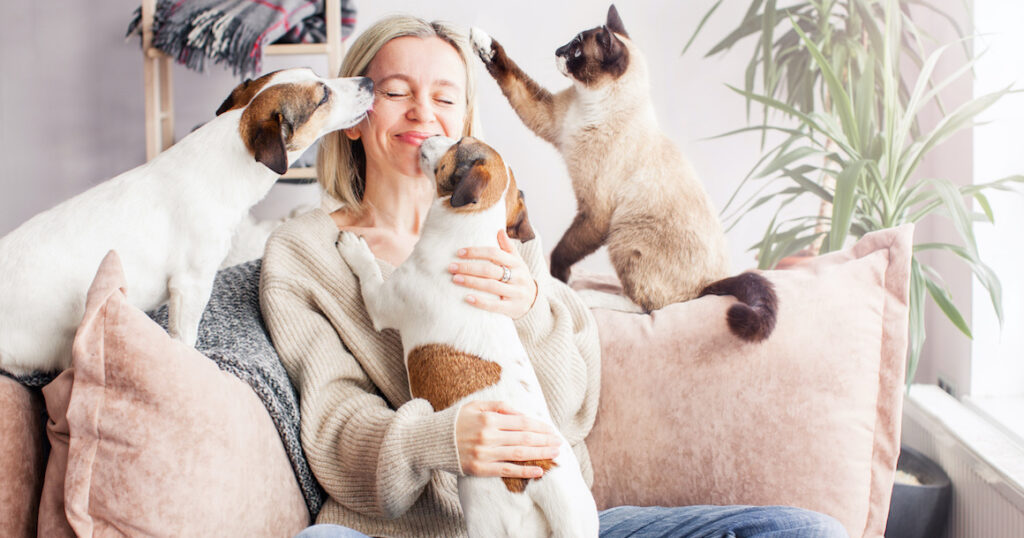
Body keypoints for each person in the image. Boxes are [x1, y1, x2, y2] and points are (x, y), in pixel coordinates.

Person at [259, 14, 847, 538]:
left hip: (554, 522)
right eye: (395, 92)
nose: (422, 113)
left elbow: (571, 409)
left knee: (804, 531)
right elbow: (335, 433)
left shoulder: (504, 229)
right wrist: (444, 439)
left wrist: (532, 306)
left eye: (446, 97)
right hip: (417, 532)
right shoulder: (305, 253)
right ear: (358, 115)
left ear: (466, 120)